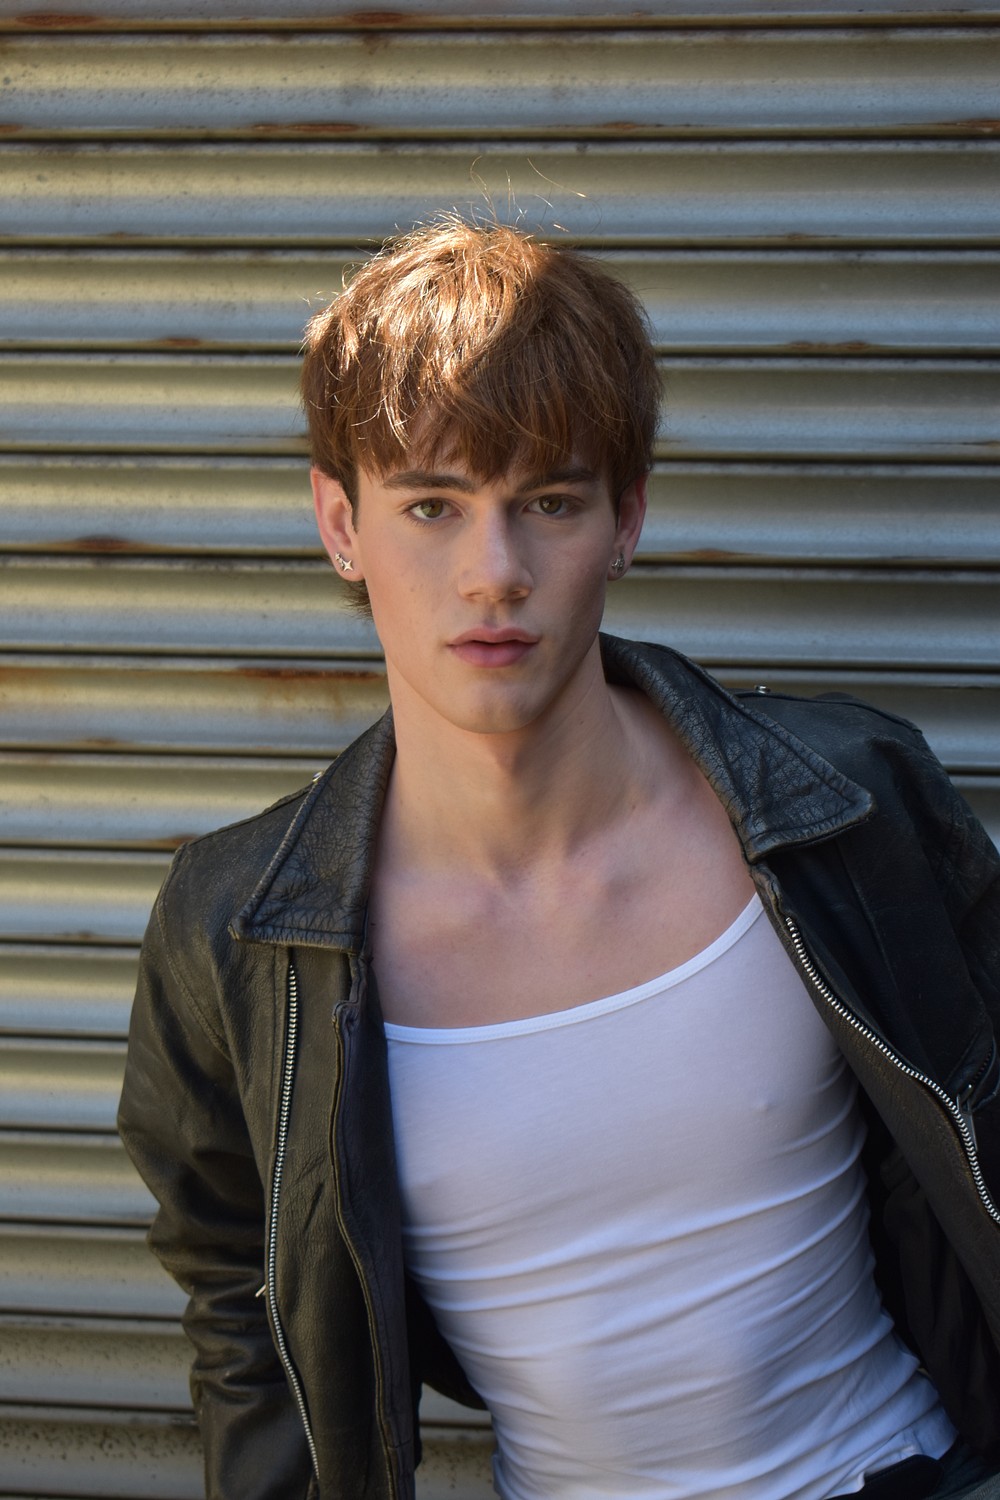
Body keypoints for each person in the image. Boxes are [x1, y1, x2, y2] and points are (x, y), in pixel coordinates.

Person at [118, 218, 1000, 1500]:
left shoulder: (849, 808)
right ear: (340, 523)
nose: (495, 574)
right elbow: (241, 1301)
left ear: (625, 519)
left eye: (548, 503)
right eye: (432, 506)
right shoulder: (236, 932)